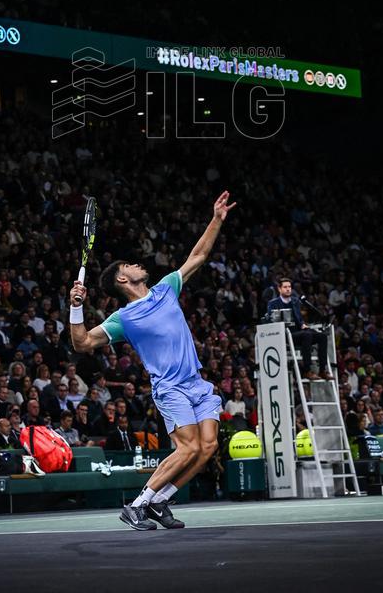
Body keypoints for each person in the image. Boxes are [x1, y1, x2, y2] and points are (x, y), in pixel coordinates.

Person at [70, 190, 236, 531]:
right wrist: (75, 306)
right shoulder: (123, 318)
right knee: (188, 447)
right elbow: (82, 342)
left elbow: (198, 255)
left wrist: (216, 220)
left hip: (197, 383)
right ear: (122, 279)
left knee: (207, 447)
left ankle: (160, 501)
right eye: (131, 265)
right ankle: (138, 504)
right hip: (170, 388)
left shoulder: (165, 288)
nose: (138, 264)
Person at [266, 278, 333, 380]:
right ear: (279, 289)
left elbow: (299, 318)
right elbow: (272, 320)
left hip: (298, 332)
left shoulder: (295, 301)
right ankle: (307, 371)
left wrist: (302, 324)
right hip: (284, 334)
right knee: (307, 335)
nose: (288, 289)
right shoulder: (273, 303)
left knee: (322, 336)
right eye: (285, 287)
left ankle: (323, 370)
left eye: (289, 287)